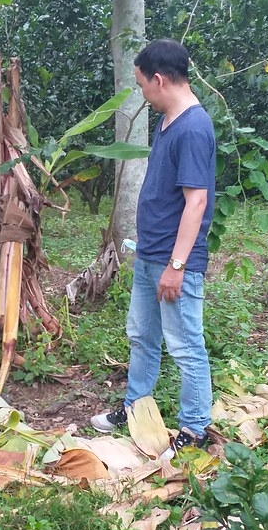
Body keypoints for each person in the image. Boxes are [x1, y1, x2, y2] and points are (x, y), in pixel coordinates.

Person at [90, 38, 215, 450]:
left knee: (185, 346)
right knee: (142, 336)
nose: (143, 93)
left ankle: (195, 429)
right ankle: (135, 408)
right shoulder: (168, 121)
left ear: (160, 80)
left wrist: (176, 266)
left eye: (143, 84)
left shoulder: (194, 127)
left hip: (173, 260)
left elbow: (196, 202)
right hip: (150, 254)